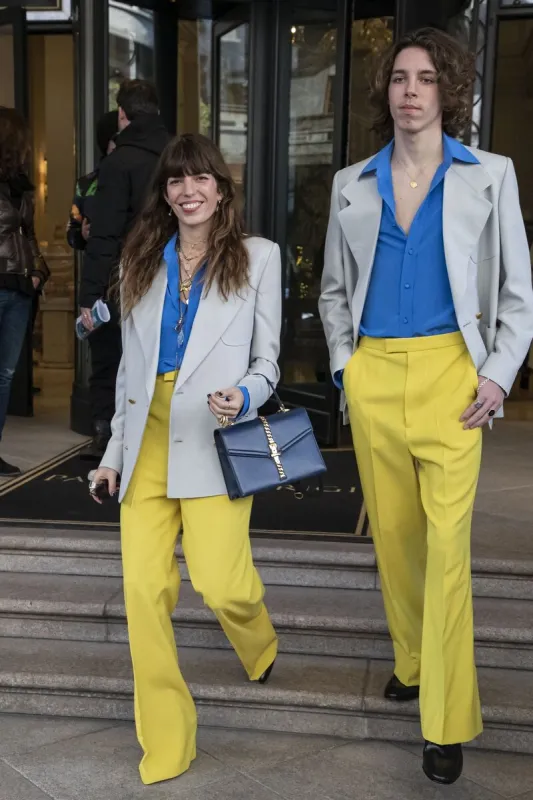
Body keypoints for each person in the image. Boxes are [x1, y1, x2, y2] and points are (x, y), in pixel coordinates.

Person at [319, 27, 533, 786]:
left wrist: (498, 375)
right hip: (375, 374)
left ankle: (443, 721)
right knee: (397, 544)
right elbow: (334, 292)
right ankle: (411, 662)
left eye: (425, 79)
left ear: (448, 91)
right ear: (386, 92)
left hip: (452, 377)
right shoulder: (352, 182)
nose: (410, 91)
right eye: (399, 79)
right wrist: (347, 371)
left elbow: (515, 293)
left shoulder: (489, 175)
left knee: (446, 558)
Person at [89, 133, 280, 785]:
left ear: (221, 189)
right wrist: (112, 454)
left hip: (215, 432)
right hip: (146, 438)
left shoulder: (258, 258)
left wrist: (246, 394)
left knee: (222, 583)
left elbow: (269, 362)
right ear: (165, 194)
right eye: (175, 180)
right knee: (144, 592)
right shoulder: (140, 260)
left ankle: (258, 641)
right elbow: (127, 373)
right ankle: (167, 737)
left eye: (201, 178)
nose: (187, 189)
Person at [79, 80, 169, 455]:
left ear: (122, 115)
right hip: (176, 273)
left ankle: (112, 442)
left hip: (127, 277)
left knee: (115, 359)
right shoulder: (177, 154)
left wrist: (89, 294)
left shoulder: (118, 164)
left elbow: (105, 235)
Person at [0, 107, 50, 476]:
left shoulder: (19, 185)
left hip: (18, 288)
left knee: (4, 374)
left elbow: (27, 235)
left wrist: (36, 271)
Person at [67, 110, 118, 251]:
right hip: (98, 264)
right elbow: (71, 232)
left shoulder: (141, 177)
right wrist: (82, 234)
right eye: (116, 140)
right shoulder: (85, 184)